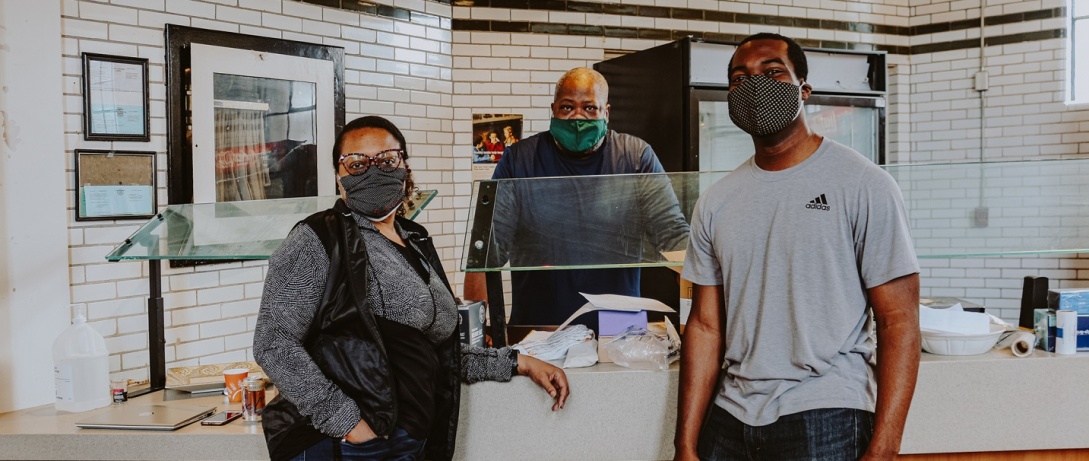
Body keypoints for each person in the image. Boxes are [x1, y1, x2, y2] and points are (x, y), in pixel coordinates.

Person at [254, 116, 569, 461]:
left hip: (407, 439)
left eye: (387, 160)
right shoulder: (316, 239)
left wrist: (517, 362)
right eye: (357, 164)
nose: (374, 172)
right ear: (339, 180)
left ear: (404, 167)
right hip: (350, 444)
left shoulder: (414, 239)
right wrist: (350, 425)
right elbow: (273, 343)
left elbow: (436, 352)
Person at [674, 33, 920, 461]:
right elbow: (705, 327)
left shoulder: (863, 184)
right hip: (730, 416)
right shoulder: (717, 201)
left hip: (827, 413)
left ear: (803, 90)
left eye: (771, 73)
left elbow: (898, 320)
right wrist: (686, 444)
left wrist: (884, 449)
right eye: (739, 78)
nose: (754, 85)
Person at [463, 67, 689, 331]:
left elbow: (672, 235)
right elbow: (485, 252)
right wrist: (476, 332)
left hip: (619, 331)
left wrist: (700, 315)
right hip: (539, 331)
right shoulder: (519, 160)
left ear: (606, 112)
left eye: (590, 108)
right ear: (553, 109)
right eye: (567, 108)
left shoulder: (635, 157)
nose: (578, 117)